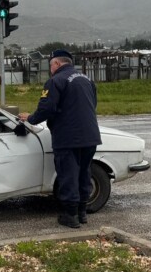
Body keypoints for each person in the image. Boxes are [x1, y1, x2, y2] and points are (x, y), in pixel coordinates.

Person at [19, 49, 101, 228]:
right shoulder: (87, 80)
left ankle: (69, 216)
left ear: (56, 64)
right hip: (90, 136)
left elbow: (47, 108)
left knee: (68, 175)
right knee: (84, 173)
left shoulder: (55, 81)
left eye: (50, 66)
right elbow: (92, 104)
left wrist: (31, 118)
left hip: (67, 137)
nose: (50, 69)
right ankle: (82, 213)